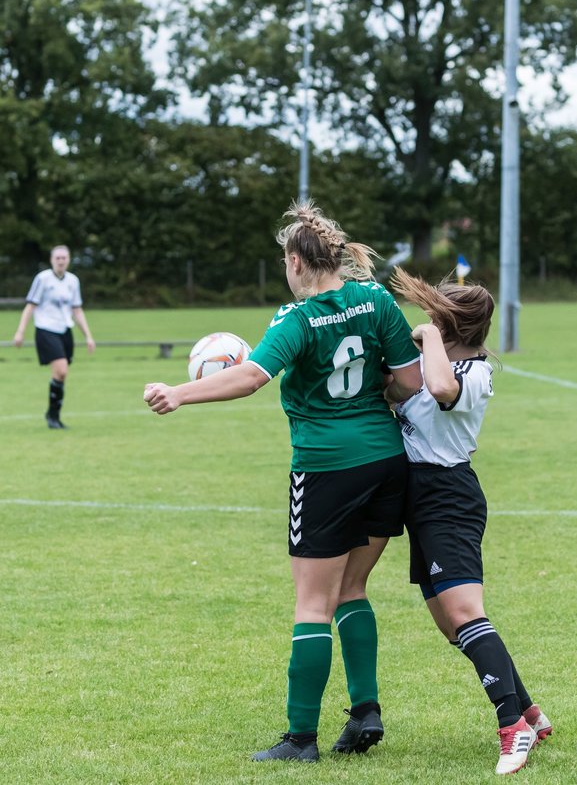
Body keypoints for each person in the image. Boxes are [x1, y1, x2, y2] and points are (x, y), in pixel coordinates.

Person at [142, 202, 422, 763]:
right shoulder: (378, 302)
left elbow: (249, 378)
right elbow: (410, 383)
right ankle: (365, 710)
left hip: (324, 468)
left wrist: (178, 392)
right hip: (387, 462)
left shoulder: (293, 319)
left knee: (312, 602)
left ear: (296, 261)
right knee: (351, 590)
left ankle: (300, 739)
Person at [386, 267, 551, 776]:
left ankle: (511, 728)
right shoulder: (428, 357)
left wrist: (429, 335)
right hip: (417, 497)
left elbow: (439, 389)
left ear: (451, 326)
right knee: (450, 624)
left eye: (435, 316)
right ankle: (530, 713)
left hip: (448, 497)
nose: (426, 320)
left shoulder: (474, 374)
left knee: (463, 612)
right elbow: (397, 390)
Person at [13, 245, 96, 429]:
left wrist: (88, 336)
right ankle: (52, 416)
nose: (61, 261)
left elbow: (77, 310)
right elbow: (30, 307)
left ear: (69, 259)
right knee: (62, 370)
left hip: (65, 329)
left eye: (64, 258)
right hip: (46, 329)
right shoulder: (42, 279)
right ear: (51, 260)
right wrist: (20, 331)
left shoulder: (73, 281)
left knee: (60, 374)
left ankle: (53, 416)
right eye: (57, 258)